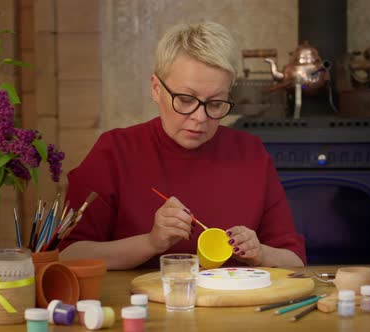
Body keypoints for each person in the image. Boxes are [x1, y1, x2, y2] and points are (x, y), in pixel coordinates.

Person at [59, 21, 306, 270]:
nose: (200, 118)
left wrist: (260, 253)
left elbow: (294, 260)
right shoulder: (115, 151)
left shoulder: (251, 153)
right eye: (186, 100)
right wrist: (150, 242)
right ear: (156, 89)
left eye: (216, 104)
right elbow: (69, 254)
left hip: (231, 306)